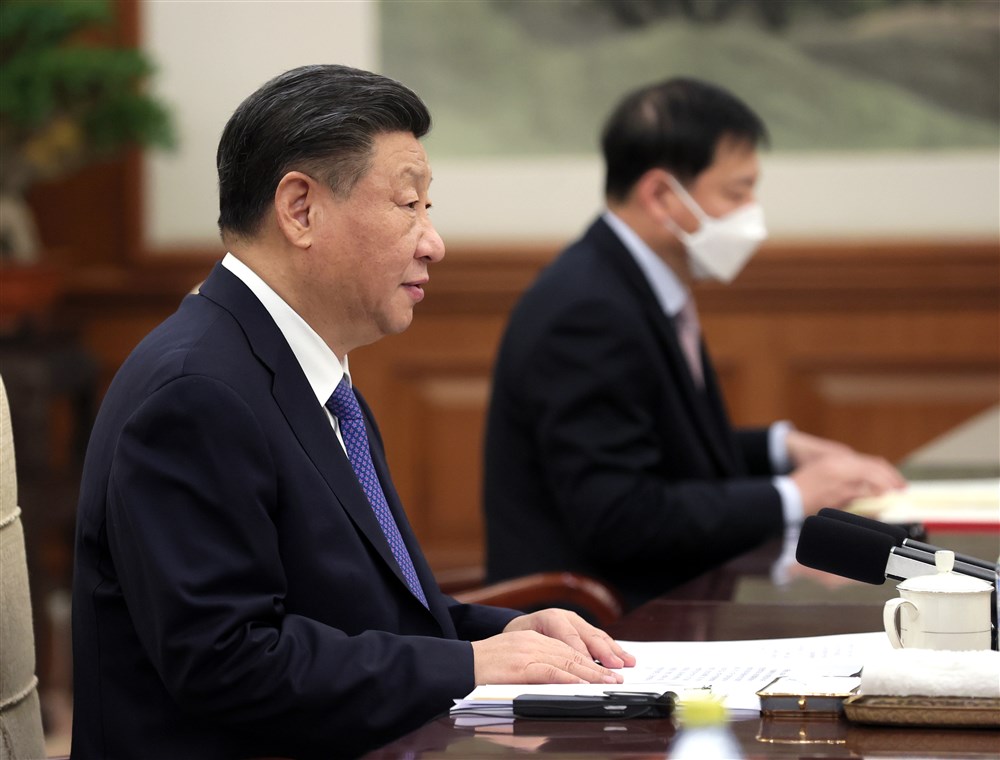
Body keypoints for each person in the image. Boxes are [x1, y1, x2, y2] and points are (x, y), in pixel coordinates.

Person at [70, 64, 634, 760]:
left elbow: (358, 611)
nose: (433, 241)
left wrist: (500, 635)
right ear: (300, 210)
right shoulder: (196, 392)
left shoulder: (309, 373)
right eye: (409, 205)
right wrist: (468, 665)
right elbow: (229, 662)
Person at [483, 77, 904, 610]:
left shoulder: (627, 281)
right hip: (602, 622)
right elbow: (620, 515)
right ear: (662, 196)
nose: (752, 213)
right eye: (737, 192)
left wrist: (781, 448)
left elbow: (654, 442)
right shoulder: (588, 310)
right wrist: (795, 495)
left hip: (664, 600)